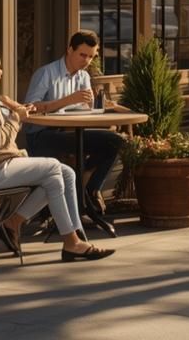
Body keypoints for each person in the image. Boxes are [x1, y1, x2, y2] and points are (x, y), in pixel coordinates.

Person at [0, 48, 112, 262]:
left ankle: (70, 237)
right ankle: (66, 241)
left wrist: (13, 110)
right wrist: (16, 118)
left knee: (65, 173)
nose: (2, 71)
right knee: (53, 167)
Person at [23, 30, 128, 228]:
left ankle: (90, 187)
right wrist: (68, 100)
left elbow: (82, 111)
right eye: (82, 55)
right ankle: (81, 198)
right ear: (69, 50)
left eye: (91, 56)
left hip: (70, 132)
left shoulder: (84, 77)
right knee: (95, 144)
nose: (86, 60)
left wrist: (96, 108)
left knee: (114, 140)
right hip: (42, 135)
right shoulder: (47, 73)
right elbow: (30, 108)